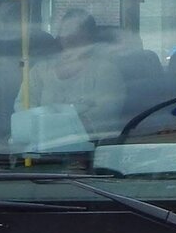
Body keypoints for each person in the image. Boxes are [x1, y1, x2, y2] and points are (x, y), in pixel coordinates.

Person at [26, 8, 124, 138]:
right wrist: (36, 126)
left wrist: (63, 126)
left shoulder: (106, 70)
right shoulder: (40, 69)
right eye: (65, 30)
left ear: (90, 36)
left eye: (76, 31)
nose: (69, 37)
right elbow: (25, 103)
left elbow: (107, 112)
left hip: (90, 149)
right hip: (41, 147)